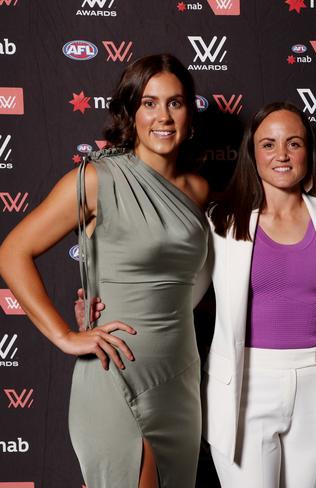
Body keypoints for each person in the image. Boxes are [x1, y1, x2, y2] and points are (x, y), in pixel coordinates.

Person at [0, 54, 210, 488]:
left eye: (175, 103)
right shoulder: (97, 179)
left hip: (181, 378)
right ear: (131, 112)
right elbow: (12, 251)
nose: (163, 116)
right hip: (118, 375)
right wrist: (66, 335)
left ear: (190, 112)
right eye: (149, 103)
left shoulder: (198, 189)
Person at [202, 102, 316, 488]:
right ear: (253, 153)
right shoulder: (220, 222)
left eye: (294, 143)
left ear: (309, 152)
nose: (282, 155)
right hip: (245, 383)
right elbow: (181, 294)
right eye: (268, 144)